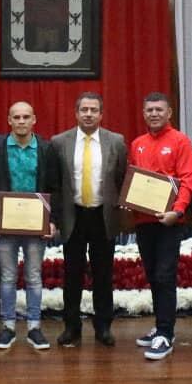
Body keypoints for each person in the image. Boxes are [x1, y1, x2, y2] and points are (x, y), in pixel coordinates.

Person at [0, 101, 61, 350]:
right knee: (7, 277)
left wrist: (53, 220)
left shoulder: (47, 149)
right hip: (5, 224)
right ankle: (8, 327)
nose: (21, 121)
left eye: (26, 116)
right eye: (16, 117)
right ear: (9, 120)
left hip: (36, 224)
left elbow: (55, 188)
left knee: (34, 277)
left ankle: (34, 328)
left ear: (34, 119)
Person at [52, 92, 127, 347]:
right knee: (72, 275)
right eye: (84, 109)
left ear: (101, 114)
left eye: (93, 110)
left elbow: (120, 178)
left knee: (103, 275)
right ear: (76, 113)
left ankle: (103, 327)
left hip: (102, 216)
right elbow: (56, 183)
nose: (88, 114)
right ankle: (71, 327)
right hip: (73, 215)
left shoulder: (116, 141)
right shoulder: (59, 142)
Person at [128, 92, 192, 361]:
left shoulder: (180, 141)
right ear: (144, 114)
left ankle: (165, 335)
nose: (154, 114)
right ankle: (161, 325)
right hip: (144, 222)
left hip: (169, 222)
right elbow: (134, 180)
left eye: (159, 109)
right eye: (149, 110)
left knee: (165, 276)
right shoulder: (138, 144)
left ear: (169, 113)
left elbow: (187, 180)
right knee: (153, 274)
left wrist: (177, 211)